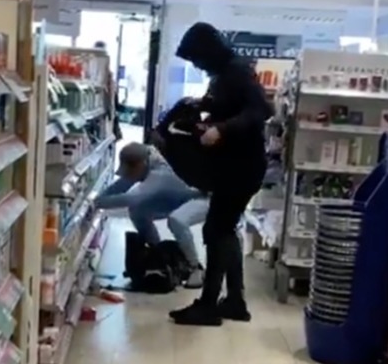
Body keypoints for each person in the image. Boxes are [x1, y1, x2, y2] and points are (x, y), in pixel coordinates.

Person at [168, 22, 273, 326]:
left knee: (216, 230)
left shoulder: (237, 70)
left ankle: (209, 305)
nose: (197, 66)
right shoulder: (226, 73)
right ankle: (235, 302)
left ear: (208, 51)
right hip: (236, 166)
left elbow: (260, 110)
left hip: (241, 167)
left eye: (197, 59)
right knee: (225, 230)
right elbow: (234, 105)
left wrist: (221, 129)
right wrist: (204, 104)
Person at [94, 142, 204, 288]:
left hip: (203, 197)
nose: (130, 175)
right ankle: (157, 255)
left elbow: (131, 198)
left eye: (131, 171)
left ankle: (196, 268)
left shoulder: (159, 173)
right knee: (138, 210)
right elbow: (122, 184)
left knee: (176, 220)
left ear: (142, 164)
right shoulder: (143, 162)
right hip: (178, 198)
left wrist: (96, 204)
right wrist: (97, 198)